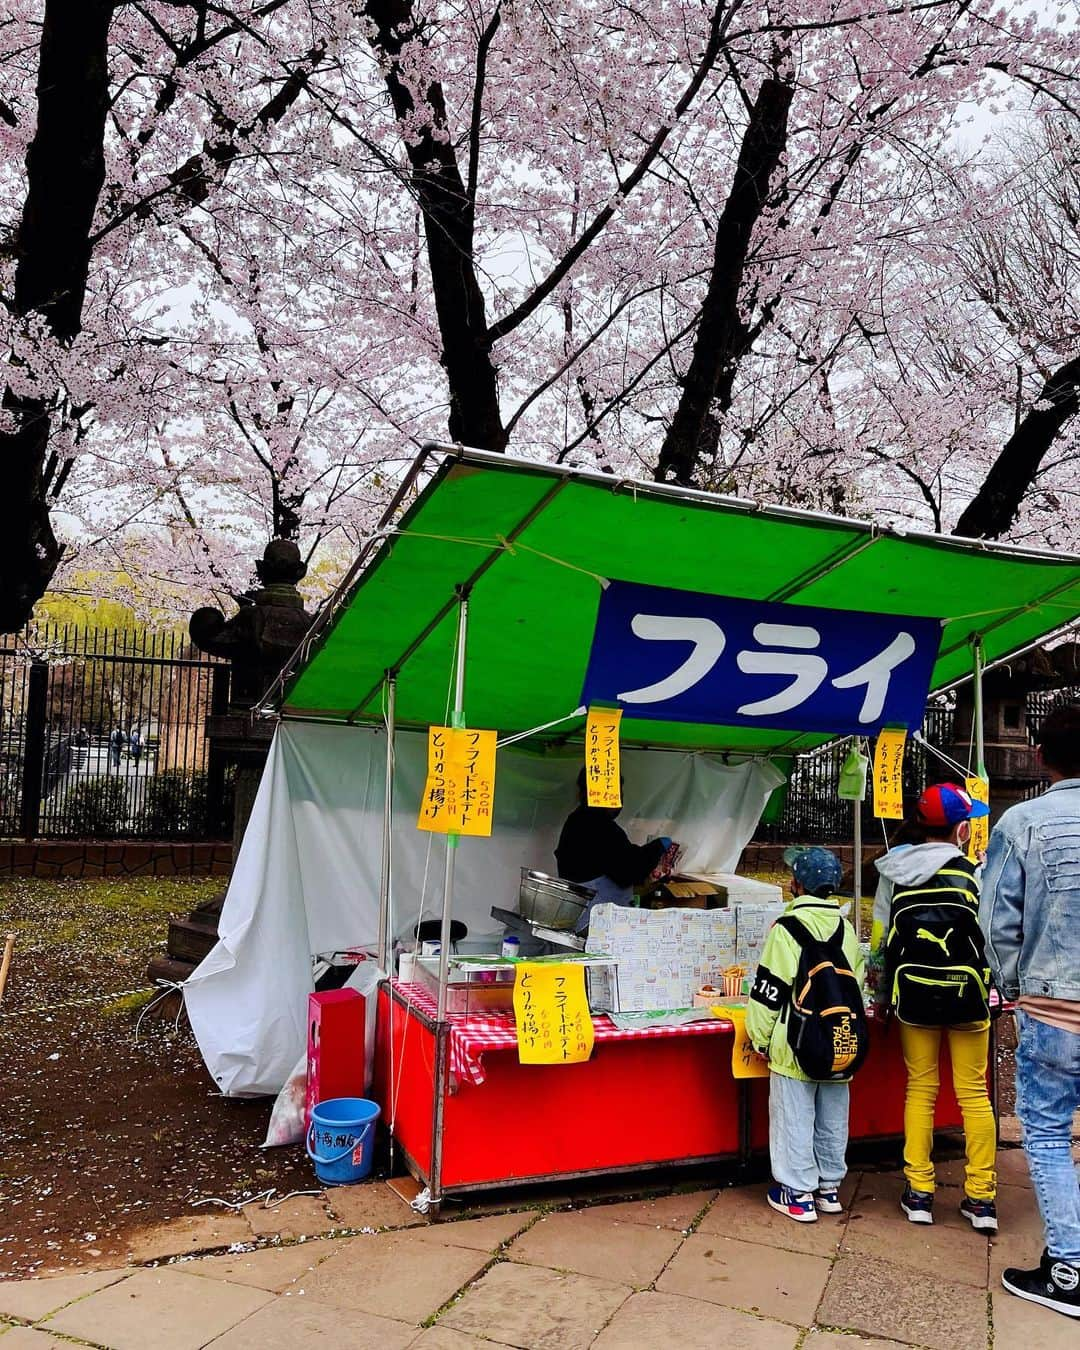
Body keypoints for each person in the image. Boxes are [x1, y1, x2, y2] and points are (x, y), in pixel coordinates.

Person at [980, 703, 1080, 1319]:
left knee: (1045, 1132)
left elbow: (996, 922)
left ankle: (1069, 1267)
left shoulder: (1023, 822)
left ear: (1040, 755)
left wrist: (1016, 988)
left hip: (1054, 1007)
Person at [872, 782, 996, 1231]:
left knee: (920, 1090)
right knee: (975, 1094)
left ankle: (919, 1193)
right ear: (961, 830)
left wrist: (883, 997)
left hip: (914, 997)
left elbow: (881, 941)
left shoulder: (893, 871)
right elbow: (989, 939)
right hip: (969, 999)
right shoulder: (972, 872)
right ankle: (981, 1200)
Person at [746, 846, 865, 1223]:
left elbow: (769, 990)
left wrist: (760, 1038)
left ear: (796, 885)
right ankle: (829, 1188)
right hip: (840, 1040)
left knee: (793, 1115)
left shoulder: (786, 929)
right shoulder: (846, 929)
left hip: (794, 1044)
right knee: (833, 1116)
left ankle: (797, 1193)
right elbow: (856, 989)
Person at [554, 767, 670, 933]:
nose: (620, 802)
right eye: (618, 796)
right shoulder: (598, 826)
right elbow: (628, 869)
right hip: (593, 924)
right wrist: (658, 847)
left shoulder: (577, 820)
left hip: (582, 918)